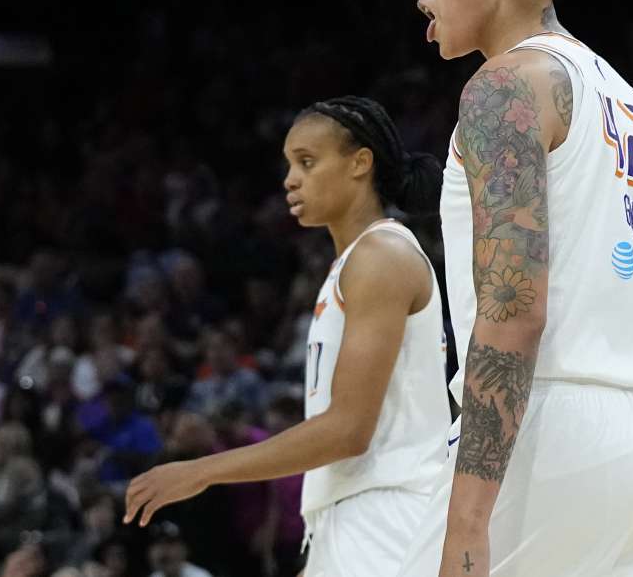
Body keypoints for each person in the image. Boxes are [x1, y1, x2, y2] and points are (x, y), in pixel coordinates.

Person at [404, 0, 633, 574]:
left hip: (550, 429)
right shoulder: (620, 91)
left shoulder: (506, 85)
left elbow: (514, 309)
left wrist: (468, 521)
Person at [123, 96, 450, 577]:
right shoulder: (354, 262)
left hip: (388, 517)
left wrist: (201, 470)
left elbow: (348, 430)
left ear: (361, 163)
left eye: (308, 162)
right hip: (355, 515)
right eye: (289, 164)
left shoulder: (381, 256)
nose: (290, 179)